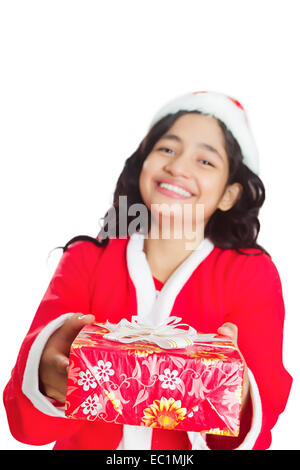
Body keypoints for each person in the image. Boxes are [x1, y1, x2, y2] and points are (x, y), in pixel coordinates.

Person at [3, 91, 292, 450]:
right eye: (167, 149)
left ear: (229, 195)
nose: (178, 167)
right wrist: (46, 375)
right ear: (143, 163)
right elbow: (28, 426)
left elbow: (260, 416)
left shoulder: (251, 274)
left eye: (206, 161)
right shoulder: (85, 259)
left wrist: (239, 391)